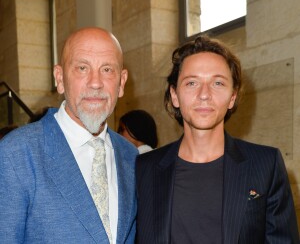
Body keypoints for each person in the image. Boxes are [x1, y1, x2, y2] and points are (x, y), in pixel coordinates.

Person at [135, 35, 299, 243]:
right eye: (192, 82)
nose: (204, 94)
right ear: (174, 95)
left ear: (232, 97)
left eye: (218, 83)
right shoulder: (144, 168)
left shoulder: (266, 164)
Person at [0, 27, 138, 244]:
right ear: (60, 78)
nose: (95, 82)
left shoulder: (131, 156)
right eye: (82, 68)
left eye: (107, 70)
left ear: (121, 82)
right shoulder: (15, 154)